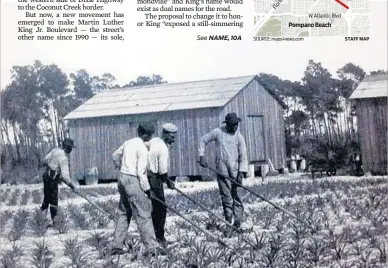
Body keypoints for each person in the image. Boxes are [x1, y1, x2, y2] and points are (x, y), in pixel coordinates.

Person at [111, 122, 165, 256]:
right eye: (150, 135)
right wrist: (147, 190)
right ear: (145, 134)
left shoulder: (128, 142)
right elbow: (141, 173)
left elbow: (115, 155)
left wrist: (120, 166)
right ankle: (152, 247)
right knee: (144, 213)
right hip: (133, 180)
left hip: (122, 178)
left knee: (124, 212)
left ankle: (117, 246)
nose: (151, 137)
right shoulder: (142, 148)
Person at [198, 113, 248, 231]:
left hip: (236, 171)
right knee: (226, 197)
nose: (235, 127)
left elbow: (243, 156)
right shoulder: (218, 132)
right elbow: (203, 140)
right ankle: (228, 222)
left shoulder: (239, 137)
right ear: (227, 125)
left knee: (237, 197)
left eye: (236, 124)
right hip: (222, 170)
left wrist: (241, 173)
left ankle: (237, 223)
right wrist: (201, 156)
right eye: (232, 125)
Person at [146, 123, 178, 248]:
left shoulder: (153, 141)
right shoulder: (163, 148)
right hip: (154, 178)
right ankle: (159, 237)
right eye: (172, 136)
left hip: (147, 176)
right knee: (161, 208)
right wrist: (168, 181)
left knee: (154, 208)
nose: (173, 139)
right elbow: (162, 171)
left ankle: (155, 235)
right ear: (165, 134)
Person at [41, 138, 78, 227]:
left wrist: (53, 166)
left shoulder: (55, 150)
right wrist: (72, 186)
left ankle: (41, 220)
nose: (71, 150)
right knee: (53, 200)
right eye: (70, 148)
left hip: (46, 176)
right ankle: (55, 222)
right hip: (52, 179)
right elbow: (65, 176)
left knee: (46, 198)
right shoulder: (64, 158)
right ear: (67, 148)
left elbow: (46, 159)